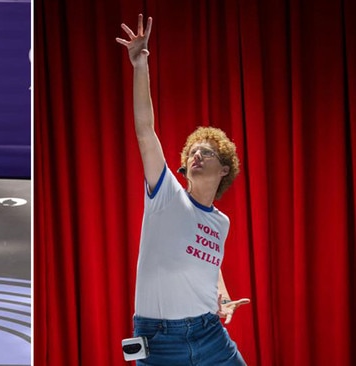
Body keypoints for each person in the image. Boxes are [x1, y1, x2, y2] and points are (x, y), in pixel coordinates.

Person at [116, 14, 250, 365]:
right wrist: (140, 64)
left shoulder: (222, 223)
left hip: (209, 333)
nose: (196, 154)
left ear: (224, 169)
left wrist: (222, 295)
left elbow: (209, 260)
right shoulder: (166, 195)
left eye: (206, 151)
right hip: (161, 340)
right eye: (192, 151)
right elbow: (146, 131)